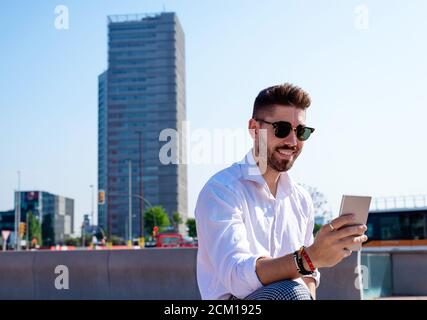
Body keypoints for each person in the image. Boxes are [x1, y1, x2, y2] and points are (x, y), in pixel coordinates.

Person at [195, 83, 368, 300]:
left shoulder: (301, 200)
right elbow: (238, 277)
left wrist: (310, 263)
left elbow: (308, 278)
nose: (293, 141)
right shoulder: (221, 191)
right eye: (282, 129)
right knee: (290, 293)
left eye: (301, 132)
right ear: (254, 128)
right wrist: (309, 257)